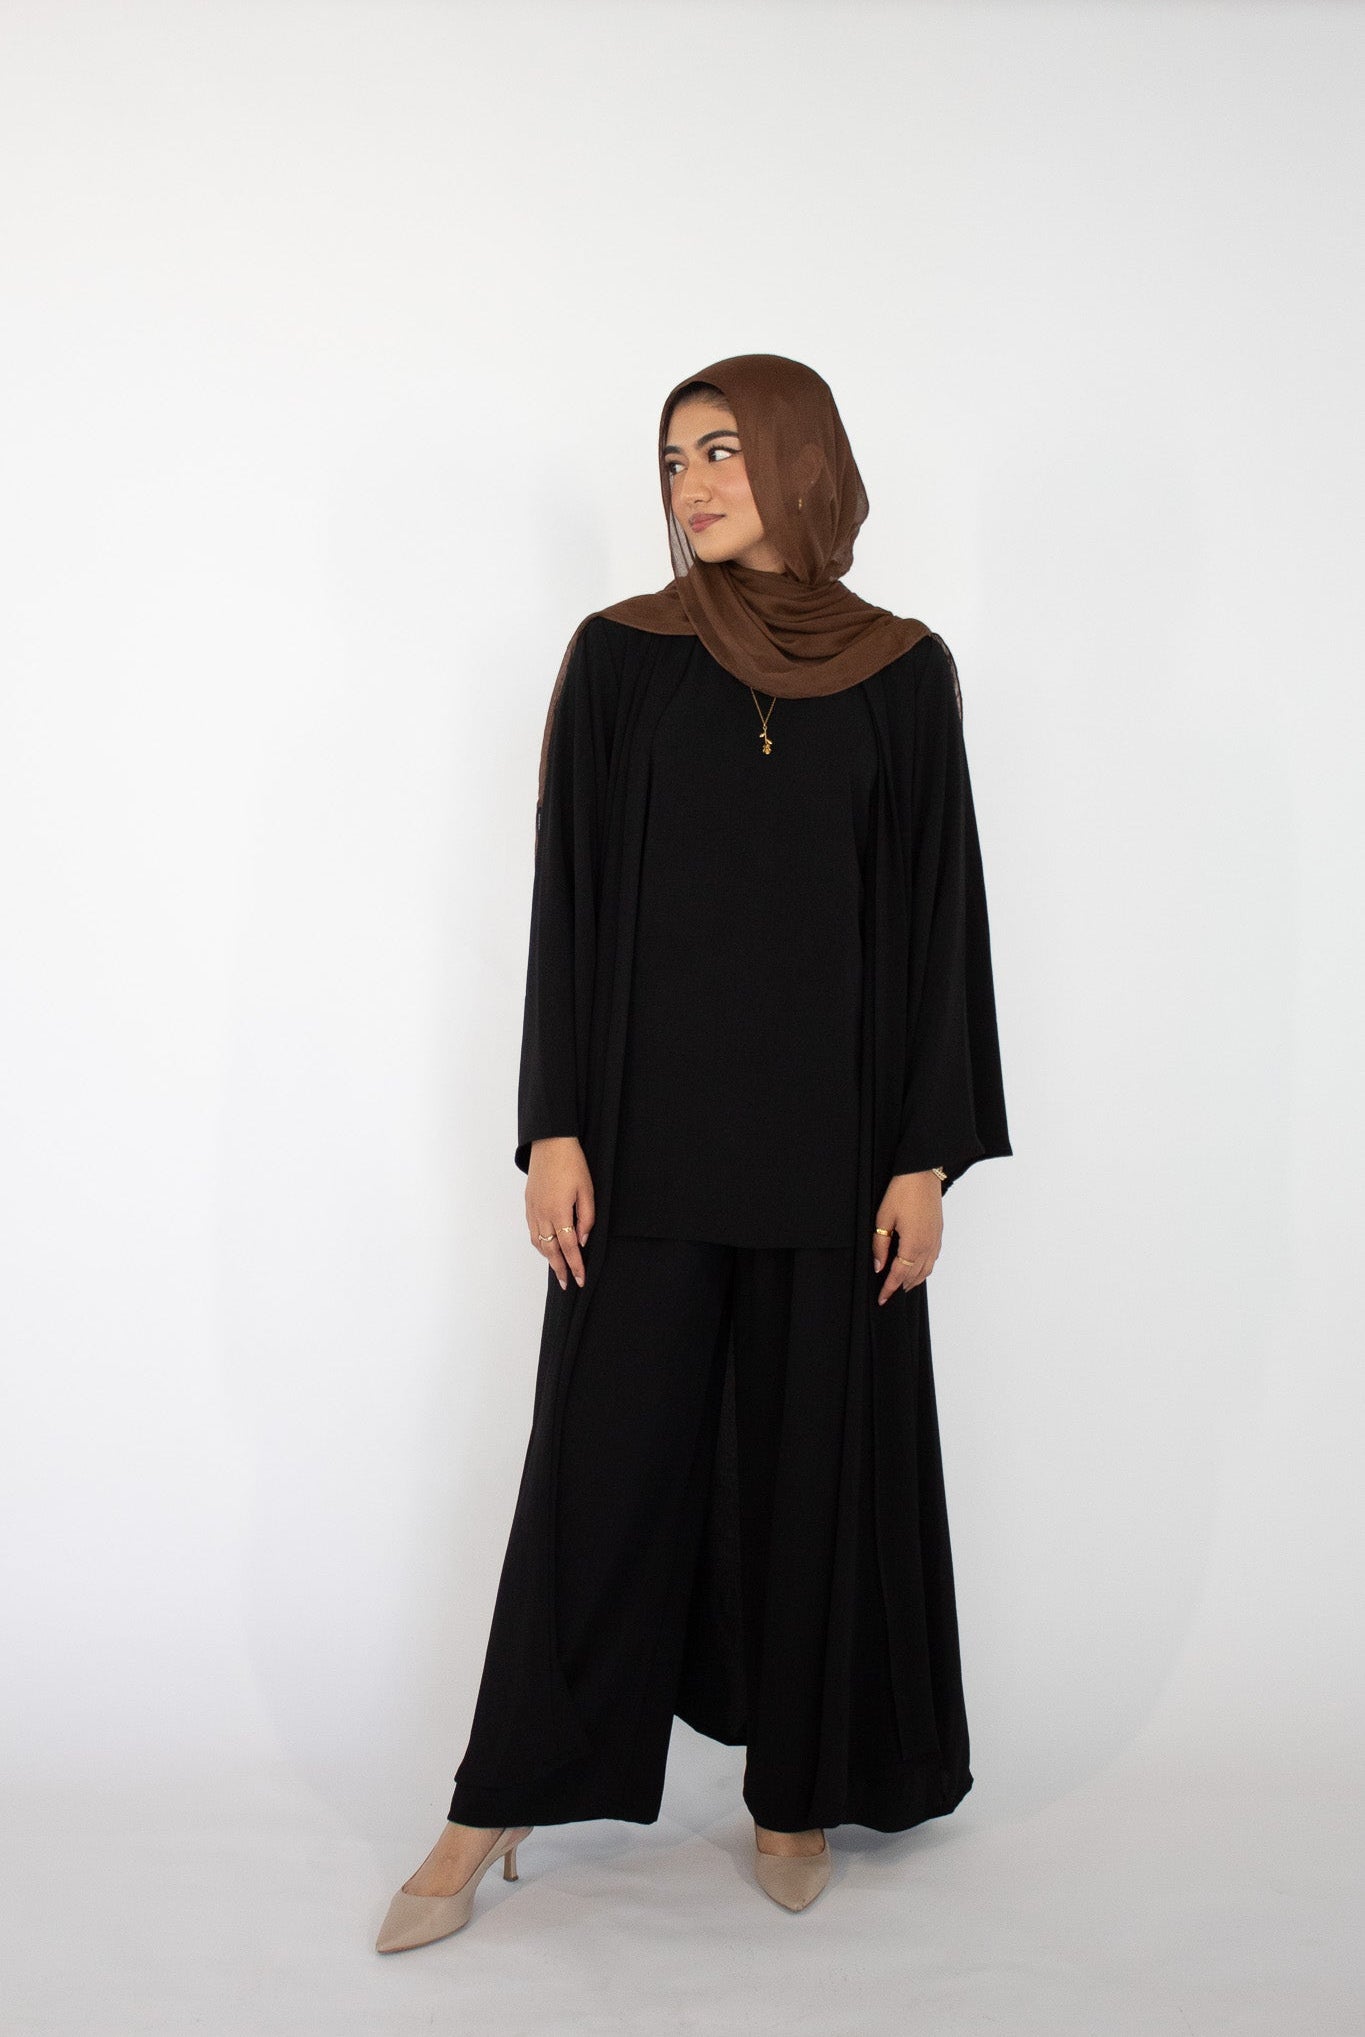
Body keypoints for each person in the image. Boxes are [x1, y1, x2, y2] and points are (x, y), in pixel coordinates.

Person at [375, 352, 1012, 1953]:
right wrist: (553, 1125)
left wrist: (922, 1157)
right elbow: (570, 899)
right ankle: (493, 1798)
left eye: (722, 449)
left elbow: (937, 920)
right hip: (642, 1154)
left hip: (833, 1158)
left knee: (810, 1472)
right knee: (601, 1473)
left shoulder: (901, 672)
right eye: (671, 459)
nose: (692, 483)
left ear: (800, 460)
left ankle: (793, 1790)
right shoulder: (620, 660)